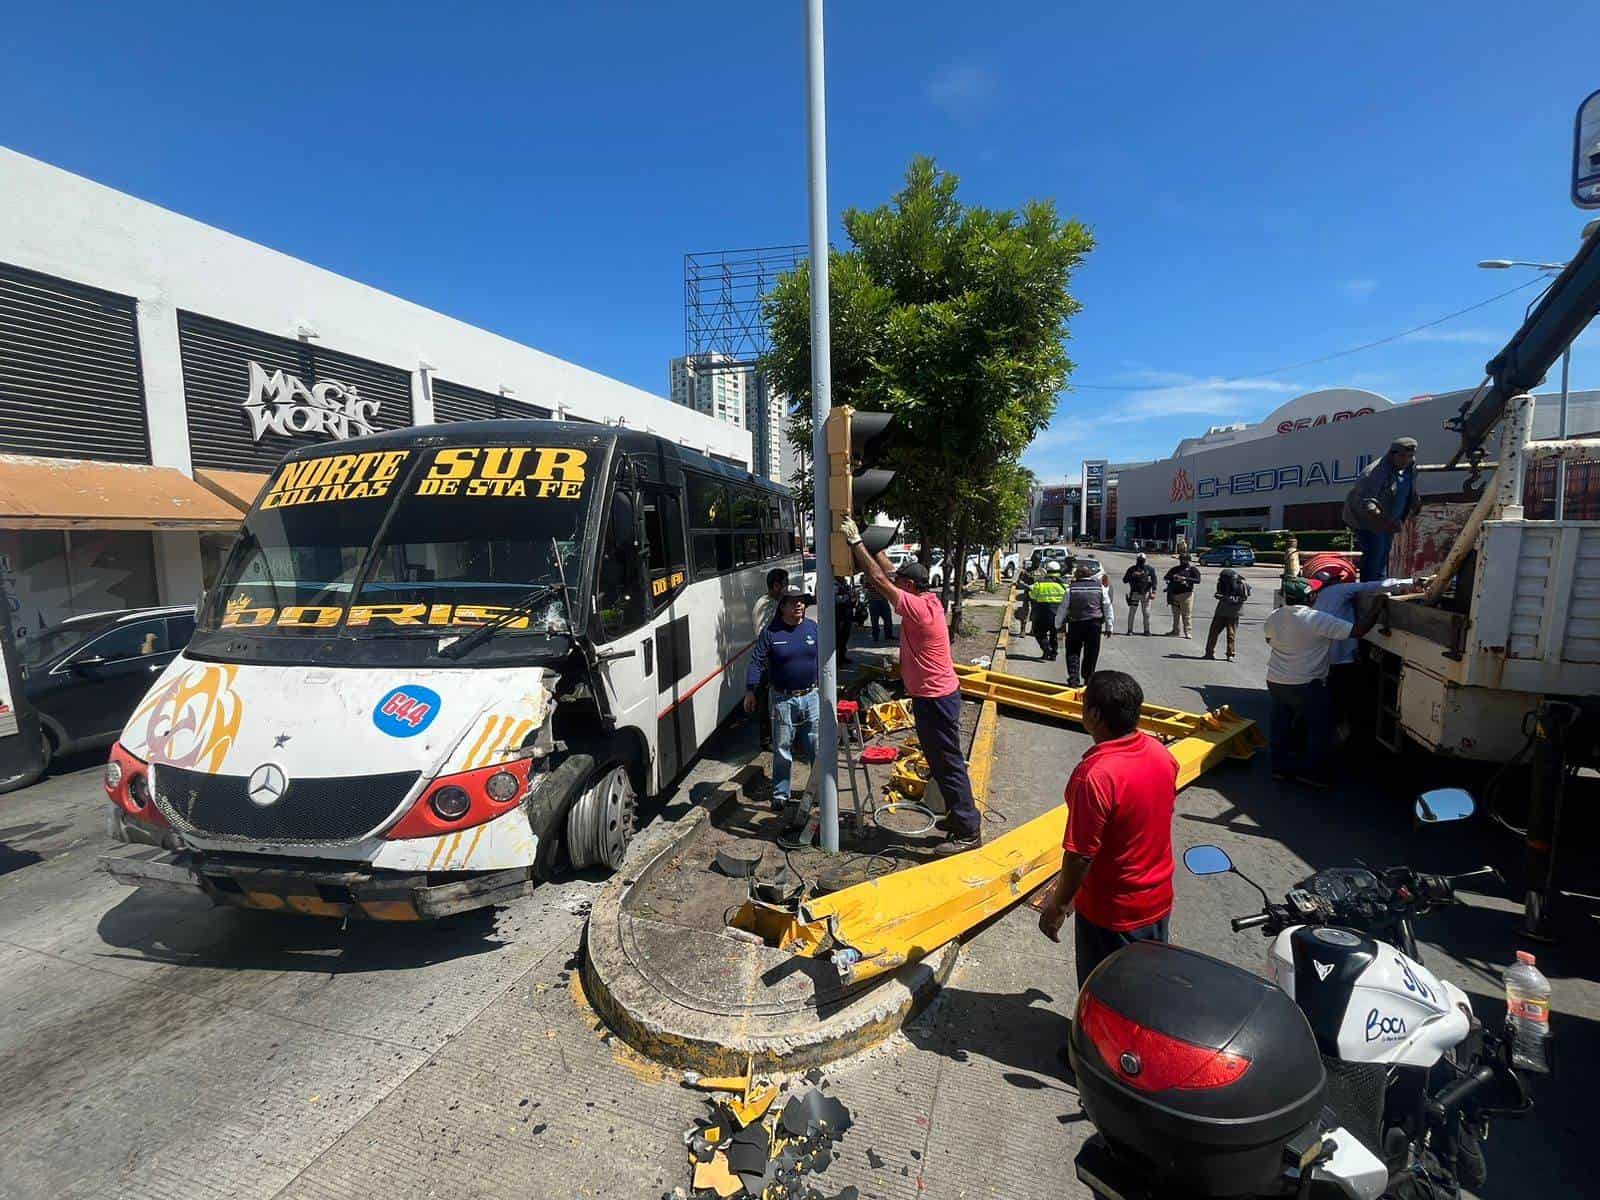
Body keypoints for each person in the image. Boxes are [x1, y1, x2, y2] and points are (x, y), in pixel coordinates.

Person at [842, 515, 982, 854]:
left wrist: (855, 542)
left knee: (947, 762)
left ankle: (968, 830)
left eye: (901, 582)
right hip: (934, 696)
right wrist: (872, 545)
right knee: (939, 761)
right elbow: (887, 572)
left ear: (910, 586)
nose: (896, 582)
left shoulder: (918, 609)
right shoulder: (928, 599)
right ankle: (958, 815)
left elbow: (878, 579)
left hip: (936, 698)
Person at [1037, 671, 1178, 988]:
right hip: (1157, 901)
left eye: (1084, 704)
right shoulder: (1161, 754)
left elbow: (1079, 856)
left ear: (1095, 715)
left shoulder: (1095, 776)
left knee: (1104, 996)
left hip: (1112, 913)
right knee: (1142, 989)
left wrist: (1058, 906)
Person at [1264, 576, 1381, 787]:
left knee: (1280, 723)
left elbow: (1268, 639)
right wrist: (1378, 607)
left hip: (1276, 680)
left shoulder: (1275, 615)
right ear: (1310, 597)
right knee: (1319, 727)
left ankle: (1280, 769)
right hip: (1306, 683)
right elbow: (1358, 631)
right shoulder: (1316, 619)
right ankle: (1313, 773)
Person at [1315, 574, 1426, 740]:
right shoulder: (1338, 590)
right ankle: (1340, 734)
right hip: (1343, 659)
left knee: (1333, 698)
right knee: (1344, 698)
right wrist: (1411, 582)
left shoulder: (1320, 598)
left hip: (1326, 659)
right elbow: (1373, 586)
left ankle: (1332, 732)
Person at [744, 586, 819, 811]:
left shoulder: (813, 629)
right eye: (793, 601)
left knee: (816, 746)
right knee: (783, 748)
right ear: (782, 606)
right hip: (782, 700)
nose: (799, 605)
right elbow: (756, 662)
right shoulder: (771, 633)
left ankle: (818, 790)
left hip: (811, 696)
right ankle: (780, 794)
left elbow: (825, 659)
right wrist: (750, 691)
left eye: (802, 601)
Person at [1343, 437, 1420, 581]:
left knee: (1384, 553)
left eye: (1410, 456)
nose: (1406, 460)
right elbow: (1368, 505)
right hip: (1366, 520)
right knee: (1375, 553)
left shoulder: (1410, 467)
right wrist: (1386, 522)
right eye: (1402, 456)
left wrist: (1415, 502)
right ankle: (1367, 592)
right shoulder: (1374, 473)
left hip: (1390, 520)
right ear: (1392, 454)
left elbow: (1410, 487)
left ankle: (1380, 587)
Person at [750, 568, 789, 750]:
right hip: (768, 661)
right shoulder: (765, 605)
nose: (786, 588)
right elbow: (763, 635)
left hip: (776, 660)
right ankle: (766, 740)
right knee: (766, 702)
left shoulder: (776, 602)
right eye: (784, 584)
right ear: (776, 585)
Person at [1056, 563, 1106, 689]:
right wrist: (1109, 626)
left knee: (1073, 651)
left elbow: (1063, 608)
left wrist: (1058, 624)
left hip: (1075, 624)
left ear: (1077, 575)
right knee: (1091, 653)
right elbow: (1107, 607)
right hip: (1094, 625)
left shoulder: (1070, 589)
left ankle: (1074, 679)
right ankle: (1088, 679)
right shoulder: (1100, 588)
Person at [1203, 567, 1251, 660]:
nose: (1224, 580)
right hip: (1221, 610)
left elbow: (1243, 598)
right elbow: (1219, 591)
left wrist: (1230, 599)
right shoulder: (1221, 581)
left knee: (1231, 634)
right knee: (1213, 632)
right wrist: (1219, 596)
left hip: (1234, 612)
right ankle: (1209, 653)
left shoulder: (1241, 584)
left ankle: (1230, 654)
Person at [1028, 561, 1066, 660]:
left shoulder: (1040, 583)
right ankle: (1053, 653)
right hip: (1059, 613)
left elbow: (1032, 595)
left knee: (1039, 633)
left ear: (1047, 570)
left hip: (1042, 613)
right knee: (1055, 634)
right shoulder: (1065, 583)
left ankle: (1047, 649)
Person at [1164, 553, 1201, 638]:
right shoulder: (1175, 569)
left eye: (1184, 559)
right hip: (1174, 594)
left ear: (1188, 560)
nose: (1182, 561)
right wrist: (1173, 577)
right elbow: (1166, 577)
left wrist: (1185, 579)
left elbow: (1198, 580)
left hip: (1186, 594)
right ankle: (1175, 631)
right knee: (1175, 614)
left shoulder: (1192, 569)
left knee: (1186, 614)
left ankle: (1188, 632)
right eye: (1181, 559)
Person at [1123, 553, 1157, 635]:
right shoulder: (1132, 569)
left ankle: (1147, 630)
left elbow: (1154, 581)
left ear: (1145, 560)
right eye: (1139, 560)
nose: (1140, 562)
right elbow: (1124, 580)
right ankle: (1130, 630)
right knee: (1132, 612)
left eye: (1142, 560)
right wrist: (1132, 575)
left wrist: (1154, 592)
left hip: (1146, 593)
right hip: (1134, 593)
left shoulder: (1149, 569)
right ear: (1137, 560)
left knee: (1146, 613)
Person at [833, 575, 856, 666]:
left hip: (847, 613)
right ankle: (837, 660)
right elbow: (835, 599)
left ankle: (842, 656)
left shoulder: (845, 583)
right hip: (839, 614)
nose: (843, 576)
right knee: (839, 637)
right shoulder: (833, 584)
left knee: (845, 636)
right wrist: (847, 596)